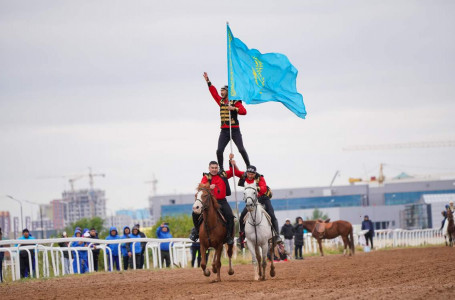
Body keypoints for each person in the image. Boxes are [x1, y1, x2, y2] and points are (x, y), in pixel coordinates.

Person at [203, 72, 250, 170]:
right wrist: (208, 82)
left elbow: (244, 111)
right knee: (219, 150)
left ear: (228, 92)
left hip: (234, 130)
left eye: (223, 91)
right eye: (221, 91)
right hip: (224, 131)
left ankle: (248, 166)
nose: (221, 92)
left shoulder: (235, 101)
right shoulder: (220, 101)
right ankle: (221, 169)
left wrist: (233, 108)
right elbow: (214, 93)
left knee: (241, 149)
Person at [231, 156, 282, 245]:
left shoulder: (260, 178)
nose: (250, 176)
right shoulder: (245, 175)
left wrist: (255, 188)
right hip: (251, 200)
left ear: (255, 174)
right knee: (242, 215)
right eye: (249, 174)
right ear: (247, 172)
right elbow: (236, 172)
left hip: (263, 198)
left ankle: (277, 235)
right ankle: (242, 236)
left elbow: (263, 188)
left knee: (271, 213)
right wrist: (234, 164)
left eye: (252, 174)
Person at [189, 159, 236, 245]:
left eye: (216, 168)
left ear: (218, 168)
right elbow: (201, 187)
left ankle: (229, 236)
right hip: (210, 202)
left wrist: (231, 163)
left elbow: (233, 172)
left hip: (222, 201)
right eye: (212, 168)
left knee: (230, 216)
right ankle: (196, 231)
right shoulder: (206, 177)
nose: (214, 169)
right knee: (194, 213)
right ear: (209, 168)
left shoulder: (223, 174)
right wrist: (209, 186)